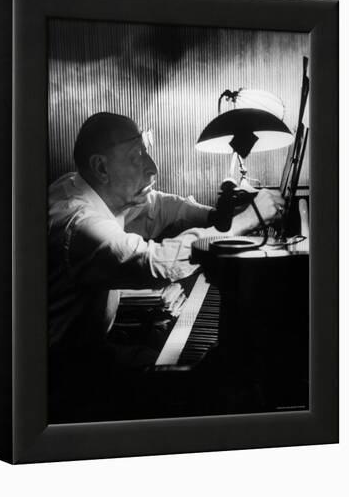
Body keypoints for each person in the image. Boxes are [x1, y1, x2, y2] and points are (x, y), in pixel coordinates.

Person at [48, 112, 284, 420]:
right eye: (137, 157)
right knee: (207, 390)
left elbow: (160, 205)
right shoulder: (78, 223)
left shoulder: (84, 185)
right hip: (64, 374)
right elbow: (153, 263)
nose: (152, 168)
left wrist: (216, 217)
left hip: (88, 353)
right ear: (101, 167)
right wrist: (246, 221)